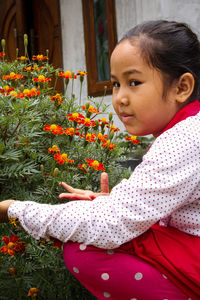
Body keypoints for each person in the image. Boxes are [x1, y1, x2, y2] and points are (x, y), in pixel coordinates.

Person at [1, 20, 200, 300]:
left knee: (85, 250)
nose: (119, 98)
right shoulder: (188, 129)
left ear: (182, 87)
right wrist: (107, 205)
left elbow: (111, 225)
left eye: (134, 82)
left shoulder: (184, 139)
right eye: (116, 84)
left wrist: (17, 209)